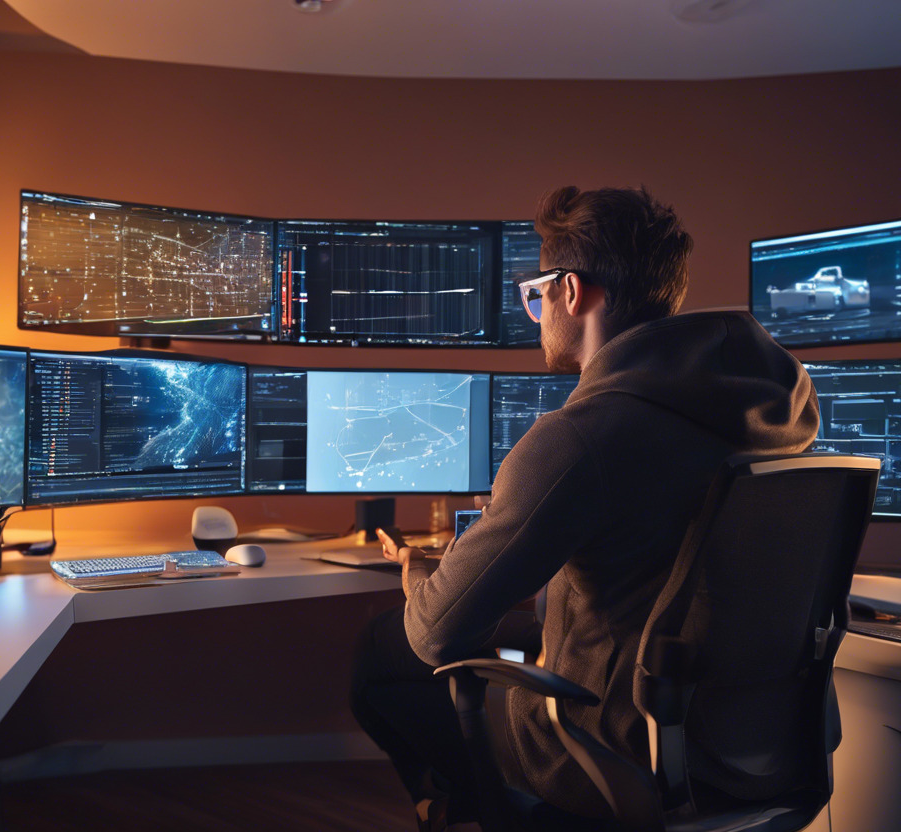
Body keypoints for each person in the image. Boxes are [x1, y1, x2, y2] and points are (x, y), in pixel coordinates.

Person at [350, 186, 819, 828]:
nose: (537, 312)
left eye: (537, 294)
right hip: (750, 742)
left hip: (611, 742)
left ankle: (489, 809)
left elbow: (439, 633)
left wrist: (421, 577)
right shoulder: (779, 411)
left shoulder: (581, 437)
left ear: (572, 291)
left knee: (385, 652)